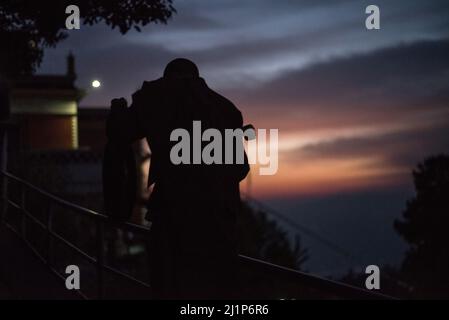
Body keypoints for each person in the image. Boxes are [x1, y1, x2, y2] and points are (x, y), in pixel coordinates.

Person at [106, 58, 249, 299]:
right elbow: (240, 168)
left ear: (167, 77)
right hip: (219, 224)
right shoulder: (226, 109)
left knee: (170, 288)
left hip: (172, 220)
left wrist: (118, 112)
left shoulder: (154, 99)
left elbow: (118, 134)